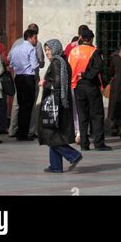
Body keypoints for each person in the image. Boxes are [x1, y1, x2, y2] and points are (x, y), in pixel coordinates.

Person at [39, 39, 82, 173]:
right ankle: (56, 165)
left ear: (55, 49)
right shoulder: (62, 61)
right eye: (45, 50)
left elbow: (56, 85)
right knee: (54, 133)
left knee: (51, 134)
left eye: (48, 49)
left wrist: (44, 83)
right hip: (60, 103)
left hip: (55, 105)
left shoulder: (57, 63)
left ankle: (73, 155)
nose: (46, 53)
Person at [69, 27, 111, 151]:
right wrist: (86, 75)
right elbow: (97, 68)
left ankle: (84, 144)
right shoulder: (94, 51)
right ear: (91, 39)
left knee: (82, 115)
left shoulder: (73, 52)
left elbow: (69, 68)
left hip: (77, 86)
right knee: (97, 114)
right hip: (91, 85)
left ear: (81, 38)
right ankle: (98, 143)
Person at [8, 22, 45, 138]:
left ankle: (17, 130)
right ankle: (24, 132)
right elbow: (35, 65)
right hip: (29, 78)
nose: (36, 40)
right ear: (30, 38)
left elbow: (11, 63)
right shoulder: (32, 48)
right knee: (28, 106)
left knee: (19, 104)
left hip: (18, 77)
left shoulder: (16, 47)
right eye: (35, 37)